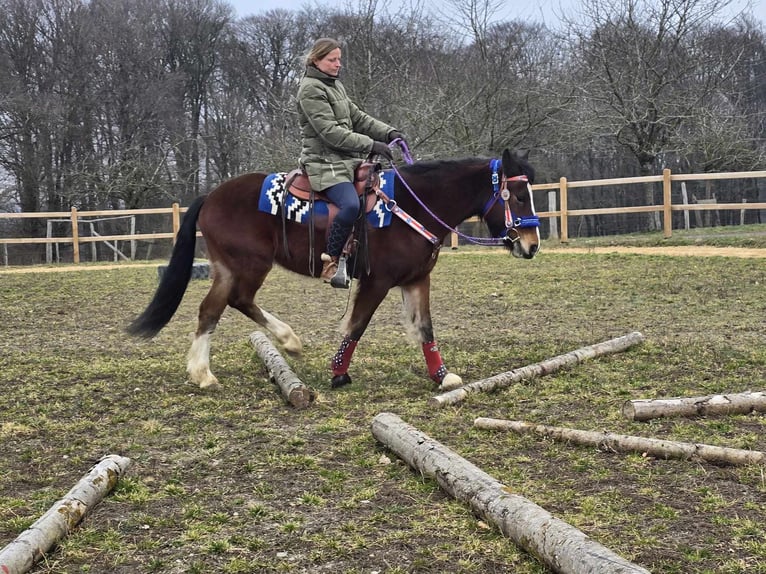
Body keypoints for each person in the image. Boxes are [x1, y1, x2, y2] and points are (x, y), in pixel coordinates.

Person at [297, 37, 405, 288]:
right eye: (332, 59)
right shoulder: (311, 89)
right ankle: (331, 260)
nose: (338, 64)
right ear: (316, 60)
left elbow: (358, 118)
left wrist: (389, 133)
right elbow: (330, 133)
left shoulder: (335, 86)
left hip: (345, 161)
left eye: (339, 59)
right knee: (349, 205)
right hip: (325, 163)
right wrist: (371, 145)